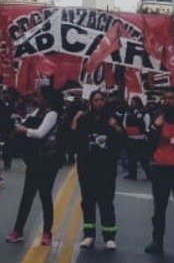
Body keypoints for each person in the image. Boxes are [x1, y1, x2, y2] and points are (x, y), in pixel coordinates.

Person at [6, 88, 62, 246]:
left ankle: (47, 232)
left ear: (46, 99)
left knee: (45, 195)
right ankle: (18, 230)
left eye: (38, 96)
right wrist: (18, 121)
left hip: (48, 160)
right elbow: (27, 122)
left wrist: (22, 129)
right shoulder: (38, 111)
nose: (35, 98)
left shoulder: (52, 114)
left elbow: (40, 133)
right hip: (35, 160)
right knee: (27, 196)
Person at [145, 86, 174, 257]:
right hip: (161, 169)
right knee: (159, 209)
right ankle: (157, 241)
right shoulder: (156, 117)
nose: (168, 101)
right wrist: (155, 127)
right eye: (165, 98)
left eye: (171, 98)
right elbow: (149, 142)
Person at [73, 89, 123, 250]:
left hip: (106, 168)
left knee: (106, 202)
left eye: (101, 99)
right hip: (87, 167)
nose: (99, 102)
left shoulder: (113, 118)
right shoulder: (84, 119)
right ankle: (89, 235)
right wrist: (75, 119)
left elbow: (123, 139)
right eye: (96, 100)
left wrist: (115, 127)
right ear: (91, 102)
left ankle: (109, 236)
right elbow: (73, 139)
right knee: (88, 202)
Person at [122, 96, 150, 180]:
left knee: (143, 158)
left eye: (135, 102)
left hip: (140, 138)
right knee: (131, 158)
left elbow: (147, 123)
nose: (133, 103)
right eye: (132, 102)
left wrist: (144, 131)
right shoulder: (128, 112)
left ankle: (149, 174)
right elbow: (124, 123)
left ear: (139, 102)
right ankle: (132, 174)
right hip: (130, 138)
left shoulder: (144, 113)